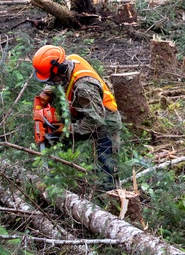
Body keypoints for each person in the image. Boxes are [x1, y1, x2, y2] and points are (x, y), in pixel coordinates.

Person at [32, 45, 122, 189]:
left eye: (50, 79)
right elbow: (61, 81)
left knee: (106, 169)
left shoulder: (84, 86)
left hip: (104, 122)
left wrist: (68, 129)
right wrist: (48, 90)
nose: (50, 82)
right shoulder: (69, 61)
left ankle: (110, 201)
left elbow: (95, 120)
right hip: (85, 112)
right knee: (84, 161)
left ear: (60, 70)